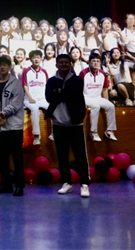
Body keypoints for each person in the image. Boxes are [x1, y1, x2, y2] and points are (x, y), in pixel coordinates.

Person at [44, 54, 91, 198]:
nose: (64, 64)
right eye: (61, 62)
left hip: (75, 124)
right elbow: (48, 97)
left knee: (80, 155)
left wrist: (58, 92)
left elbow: (73, 94)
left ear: (70, 64)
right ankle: (66, 183)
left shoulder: (77, 80)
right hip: (58, 124)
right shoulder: (52, 81)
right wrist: (63, 93)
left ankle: (84, 184)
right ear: (56, 65)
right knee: (62, 155)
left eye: (66, 62)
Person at [0, 55, 26, 196]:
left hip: (13, 125)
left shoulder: (16, 83)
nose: (2, 67)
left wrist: (3, 114)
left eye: (5, 65)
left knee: (16, 156)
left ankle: (19, 185)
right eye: (0, 65)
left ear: (9, 66)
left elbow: (16, 103)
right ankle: (6, 184)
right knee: (3, 156)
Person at [79, 54, 117, 142]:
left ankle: (110, 131)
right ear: (89, 62)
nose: (95, 63)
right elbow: (78, 88)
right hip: (86, 97)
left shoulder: (103, 73)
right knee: (96, 106)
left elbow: (105, 89)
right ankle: (93, 132)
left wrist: (106, 102)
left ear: (100, 63)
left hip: (97, 97)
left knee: (111, 106)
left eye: (97, 61)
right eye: (93, 61)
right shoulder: (83, 73)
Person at [21, 50, 50, 145]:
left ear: (41, 59)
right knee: (34, 109)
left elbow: (47, 86)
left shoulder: (44, 72)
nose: (36, 59)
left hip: (42, 99)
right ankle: (36, 136)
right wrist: (30, 98)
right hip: (29, 99)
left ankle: (54, 133)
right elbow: (25, 86)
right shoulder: (26, 71)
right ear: (30, 59)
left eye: (38, 57)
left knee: (53, 109)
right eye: (34, 58)